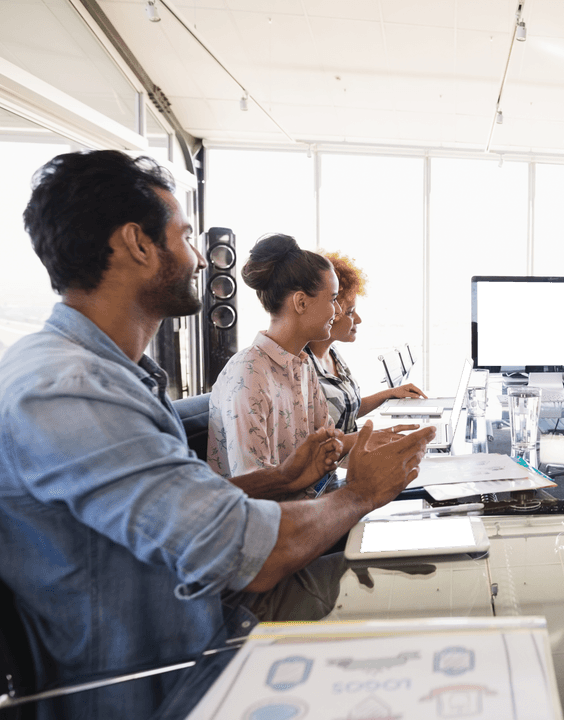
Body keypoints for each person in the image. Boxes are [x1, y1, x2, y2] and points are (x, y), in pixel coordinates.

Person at [0, 150, 436, 719]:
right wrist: (359, 493)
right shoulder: (67, 389)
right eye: (184, 236)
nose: (202, 259)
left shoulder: (109, 376)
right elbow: (241, 551)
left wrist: (280, 478)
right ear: (137, 244)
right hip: (175, 683)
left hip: (202, 644)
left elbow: (181, 510)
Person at [206, 236, 411, 493]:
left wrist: (377, 443)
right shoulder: (248, 375)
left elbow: (329, 448)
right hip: (279, 526)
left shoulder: (302, 365)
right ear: (301, 302)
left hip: (313, 508)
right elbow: (253, 489)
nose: (336, 311)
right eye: (333, 299)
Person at [304, 250, 426, 434]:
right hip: (340, 460)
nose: (358, 320)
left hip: (352, 455)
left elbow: (347, 412)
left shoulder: (333, 353)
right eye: (350, 312)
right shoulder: (302, 366)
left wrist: (389, 393)